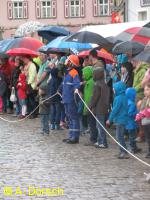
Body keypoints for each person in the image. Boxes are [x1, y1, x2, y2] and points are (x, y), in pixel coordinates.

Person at [106, 81, 129, 159]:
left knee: (119, 136)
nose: (113, 90)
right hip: (122, 119)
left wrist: (109, 119)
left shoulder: (118, 98)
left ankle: (124, 152)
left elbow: (115, 110)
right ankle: (123, 151)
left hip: (120, 120)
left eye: (114, 89)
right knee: (120, 136)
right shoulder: (124, 97)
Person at [89, 67, 110, 148]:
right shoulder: (104, 84)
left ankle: (103, 142)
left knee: (100, 126)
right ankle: (100, 140)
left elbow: (95, 98)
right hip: (104, 107)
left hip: (99, 109)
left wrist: (90, 106)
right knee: (100, 125)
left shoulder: (97, 85)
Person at [62, 55, 80, 144]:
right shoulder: (67, 72)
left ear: (71, 63)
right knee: (69, 118)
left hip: (71, 99)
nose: (66, 61)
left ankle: (75, 137)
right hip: (65, 98)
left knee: (73, 118)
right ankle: (71, 136)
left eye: (67, 60)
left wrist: (76, 88)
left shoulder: (74, 72)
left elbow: (77, 84)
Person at [136, 84, 150, 158]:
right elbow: (141, 110)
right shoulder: (144, 99)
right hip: (145, 122)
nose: (145, 92)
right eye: (144, 90)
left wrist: (145, 112)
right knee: (148, 138)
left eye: (147, 89)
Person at [125, 88, 141, 153]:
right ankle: (132, 148)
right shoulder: (132, 103)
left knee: (132, 136)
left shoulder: (126, 101)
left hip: (128, 123)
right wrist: (137, 112)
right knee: (132, 137)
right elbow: (130, 113)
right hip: (131, 124)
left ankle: (134, 147)